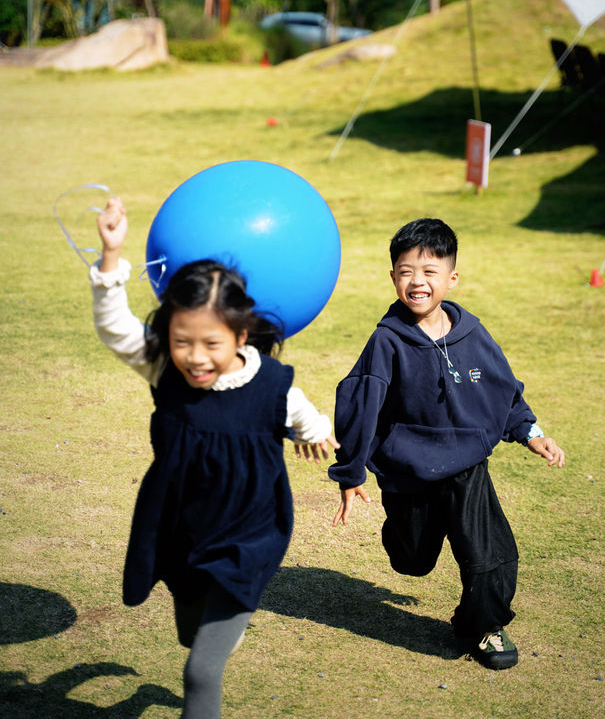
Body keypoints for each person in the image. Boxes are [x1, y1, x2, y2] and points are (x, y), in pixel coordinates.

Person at [91, 196, 338, 719]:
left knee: (200, 670)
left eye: (210, 343)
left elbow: (301, 413)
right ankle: (213, 621)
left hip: (249, 532)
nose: (195, 357)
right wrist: (112, 256)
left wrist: (316, 432)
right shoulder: (164, 368)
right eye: (182, 341)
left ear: (241, 336)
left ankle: (230, 619)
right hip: (181, 526)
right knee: (190, 629)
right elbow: (116, 328)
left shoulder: (270, 383)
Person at [329, 217, 564, 670]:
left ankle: (483, 626)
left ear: (451, 278)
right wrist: (350, 471)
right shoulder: (386, 341)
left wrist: (530, 432)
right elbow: (361, 404)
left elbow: (500, 389)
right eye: (405, 271)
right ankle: (404, 534)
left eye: (429, 271)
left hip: (466, 463)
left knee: (489, 554)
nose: (417, 282)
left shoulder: (472, 333)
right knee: (412, 561)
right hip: (408, 470)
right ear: (393, 277)